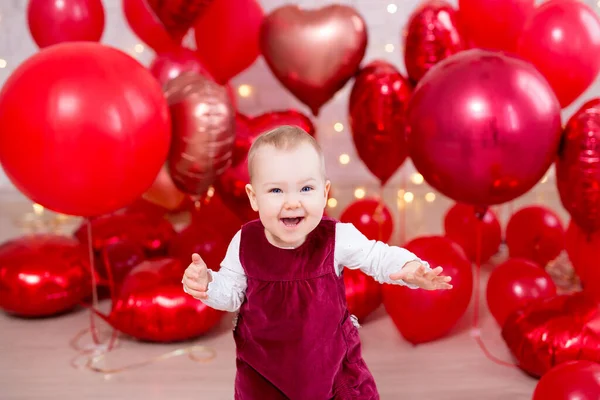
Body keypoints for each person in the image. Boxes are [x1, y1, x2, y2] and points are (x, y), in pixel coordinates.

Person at [182, 125, 452, 399]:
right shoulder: (245, 242)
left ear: (324, 193)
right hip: (263, 375)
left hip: (331, 370)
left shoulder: (336, 237)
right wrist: (208, 284)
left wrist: (408, 268)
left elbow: (376, 255)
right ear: (254, 197)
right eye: (276, 191)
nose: (292, 202)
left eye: (306, 188)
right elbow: (231, 295)